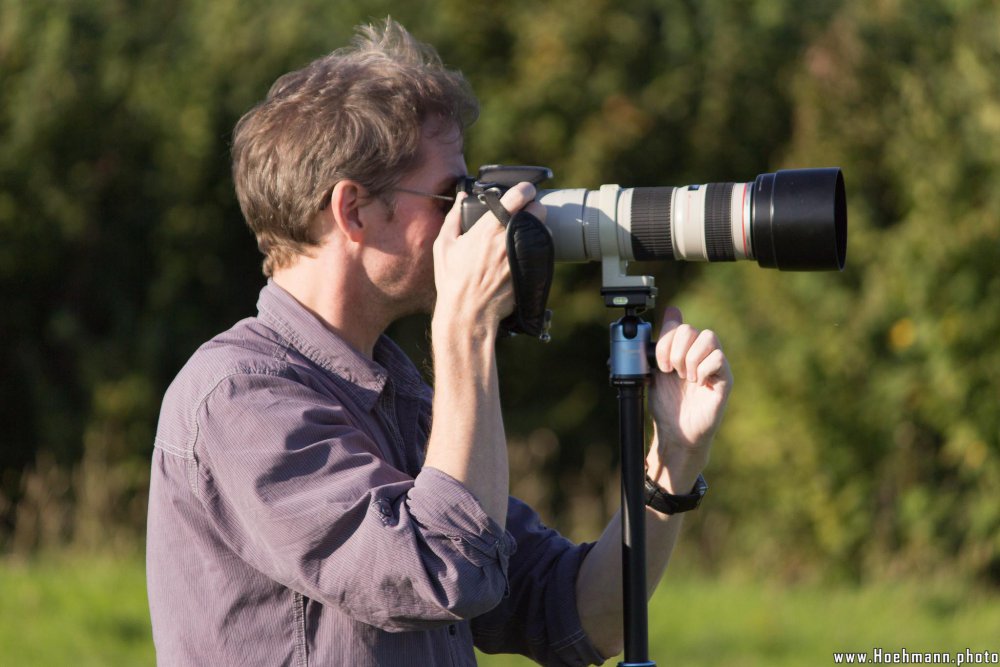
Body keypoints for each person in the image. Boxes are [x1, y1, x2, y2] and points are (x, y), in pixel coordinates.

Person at [146, 18, 732, 667]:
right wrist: (464, 326)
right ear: (354, 210)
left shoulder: (401, 394)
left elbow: (570, 617)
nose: (470, 217)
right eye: (451, 194)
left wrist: (670, 463)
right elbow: (438, 569)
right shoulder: (240, 397)